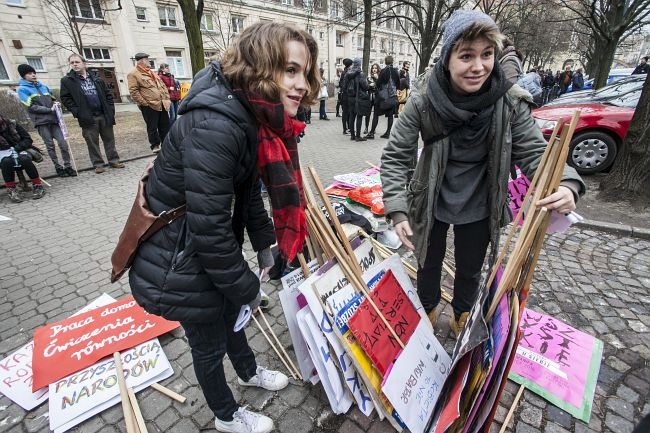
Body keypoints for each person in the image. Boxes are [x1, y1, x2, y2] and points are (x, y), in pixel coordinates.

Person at [127, 22, 320, 433]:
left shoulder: (247, 113)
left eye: (304, 71)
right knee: (209, 342)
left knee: (234, 312)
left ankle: (248, 372)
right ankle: (226, 415)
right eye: (289, 69)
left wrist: (265, 243)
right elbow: (209, 226)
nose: (301, 83)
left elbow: (246, 190)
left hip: (204, 250)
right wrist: (247, 285)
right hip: (177, 262)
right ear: (257, 65)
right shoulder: (218, 124)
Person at [380, 10, 584, 338]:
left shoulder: (510, 101)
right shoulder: (423, 99)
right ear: (447, 59)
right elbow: (395, 157)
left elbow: (536, 154)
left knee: (471, 269)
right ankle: (427, 312)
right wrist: (397, 207)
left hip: (480, 199)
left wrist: (567, 183)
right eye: (466, 56)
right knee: (427, 262)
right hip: (430, 197)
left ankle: (463, 315)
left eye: (487, 54)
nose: (479, 66)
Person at [60, 54, 125, 174]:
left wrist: (110, 110)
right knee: (92, 141)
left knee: (109, 139)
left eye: (77, 62)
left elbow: (108, 95)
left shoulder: (96, 78)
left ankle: (113, 160)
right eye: (72, 62)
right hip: (87, 117)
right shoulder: (67, 81)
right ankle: (98, 164)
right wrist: (77, 112)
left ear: (84, 63)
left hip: (103, 114)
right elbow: (65, 98)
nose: (74, 64)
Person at [16, 64, 75, 178]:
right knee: (50, 146)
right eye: (29, 73)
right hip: (41, 123)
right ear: (24, 76)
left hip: (54, 121)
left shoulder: (43, 86)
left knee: (63, 143)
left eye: (34, 72)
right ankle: (58, 167)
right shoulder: (23, 89)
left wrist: (56, 104)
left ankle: (68, 166)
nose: (33, 75)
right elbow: (31, 107)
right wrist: (49, 110)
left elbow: (53, 99)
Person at [127, 53, 171, 153]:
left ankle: (167, 144)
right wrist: (144, 103)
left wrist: (167, 99)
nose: (148, 61)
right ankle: (155, 146)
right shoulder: (133, 74)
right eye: (146, 59)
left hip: (162, 104)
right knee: (152, 127)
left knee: (165, 126)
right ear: (140, 61)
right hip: (149, 105)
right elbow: (133, 91)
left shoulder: (152, 73)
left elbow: (162, 86)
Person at [1, 115, 46, 202]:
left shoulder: (12, 124)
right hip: (3, 153)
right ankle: (11, 190)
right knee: (6, 162)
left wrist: (17, 148)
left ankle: (37, 186)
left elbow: (28, 139)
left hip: (21, 149)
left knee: (24, 159)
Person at [366, 55, 400, 139]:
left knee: (376, 114)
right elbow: (398, 84)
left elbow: (378, 84)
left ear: (385, 62)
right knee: (390, 116)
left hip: (382, 97)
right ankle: (388, 133)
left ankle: (372, 133)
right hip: (392, 96)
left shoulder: (383, 71)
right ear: (392, 62)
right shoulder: (396, 71)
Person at [341, 57, 369, 141]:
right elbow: (365, 87)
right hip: (359, 97)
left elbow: (344, 86)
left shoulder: (348, 73)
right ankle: (358, 136)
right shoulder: (361, 74)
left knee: (352, 116)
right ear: (359, 64)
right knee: (359, 116)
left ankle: (352, 136)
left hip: (350, 98)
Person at [365, 63, 381, 134]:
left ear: (378, 69)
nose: (374, 69)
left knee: (376, 114)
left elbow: (381, 87)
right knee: (368, 113)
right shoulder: (369, 77)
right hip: (370, 97)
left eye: (376, 68)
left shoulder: (380, 77)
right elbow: (366, 87)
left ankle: (373, 129)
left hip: (377, 97)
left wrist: (377, 79)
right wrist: (369, 86)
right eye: (373, 68)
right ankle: (366, 128)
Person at [339, 58, 353, 134]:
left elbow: (341, 84)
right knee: (348, 112)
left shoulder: (343, 72)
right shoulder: (348, 72)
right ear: (350, 65)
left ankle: (346, 128)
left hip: (344, 94)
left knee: (345, 112)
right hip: (347, 95)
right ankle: (347, 128)